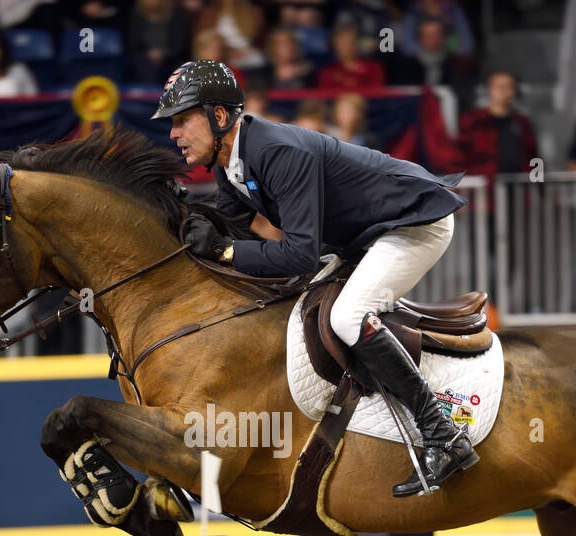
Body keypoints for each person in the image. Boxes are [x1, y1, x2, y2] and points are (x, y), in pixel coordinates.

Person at [153, 60, 478, 497]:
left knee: (347, 317)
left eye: (181, 120)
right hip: (364, 236)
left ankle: (442, 435)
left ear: (218, 116)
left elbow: (297, 253)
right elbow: (224, 233)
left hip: (413, 223)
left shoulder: (276, 151)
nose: (173, 134)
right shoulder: (230, 164)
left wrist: (227, 248)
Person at [451, 69, 538, 179]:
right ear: (489, 89)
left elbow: (533, 156)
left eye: (508, 87)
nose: (503, 91)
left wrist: (538, 184)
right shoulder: (473, 121)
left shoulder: (522, 122)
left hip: (518, 186)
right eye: (498, 87)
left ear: (514, 91)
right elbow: (458, 156)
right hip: (484, 187)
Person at [128, 0, 192, 86]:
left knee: (180, 66)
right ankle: (151, 94)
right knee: (140, 63)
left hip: (171, 58)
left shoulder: (177, 14)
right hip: (144, 57)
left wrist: (164, 54)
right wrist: (149, 54)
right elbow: (133, 42)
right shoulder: (136, 16)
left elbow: (180, 43)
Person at [316, 21, 385, 90]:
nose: (347, 47)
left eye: (351, 42)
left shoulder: (373, 68)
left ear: (357, 43)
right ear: (334, 45)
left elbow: (376, 93)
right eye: (343, 43)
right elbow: (326, 96)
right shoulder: (327, 72)